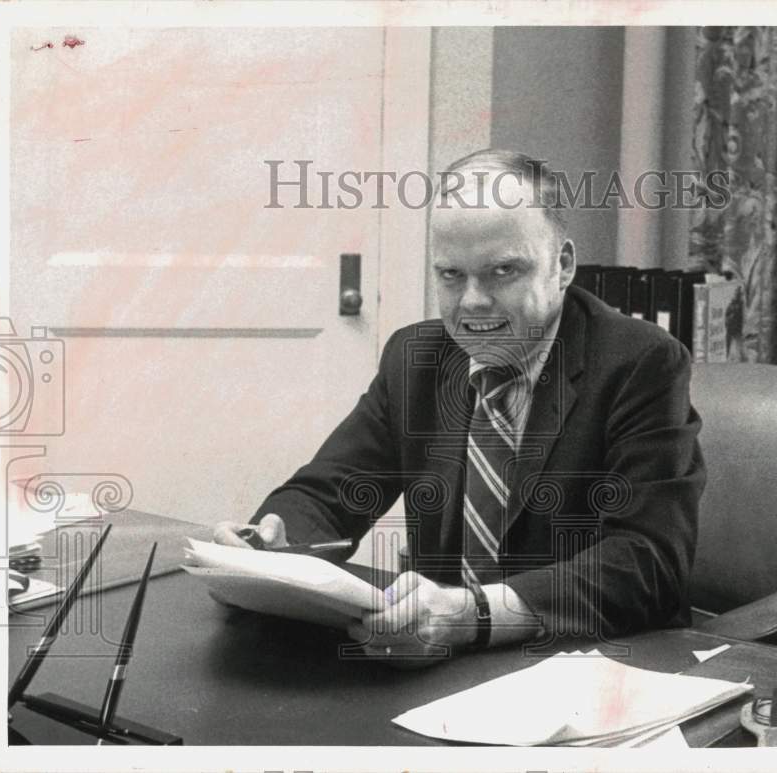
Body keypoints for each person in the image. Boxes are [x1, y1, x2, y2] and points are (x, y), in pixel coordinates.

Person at [214, 149, 705, 664]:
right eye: (451, 275)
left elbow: (648, 562)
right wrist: (269, 547)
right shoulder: (416, 359)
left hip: (591, 666)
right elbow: (330, 491)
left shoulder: (641, 361)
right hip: (439, 664)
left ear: (562, 266)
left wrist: (476, 614)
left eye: (502, 272)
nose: (472, 301)